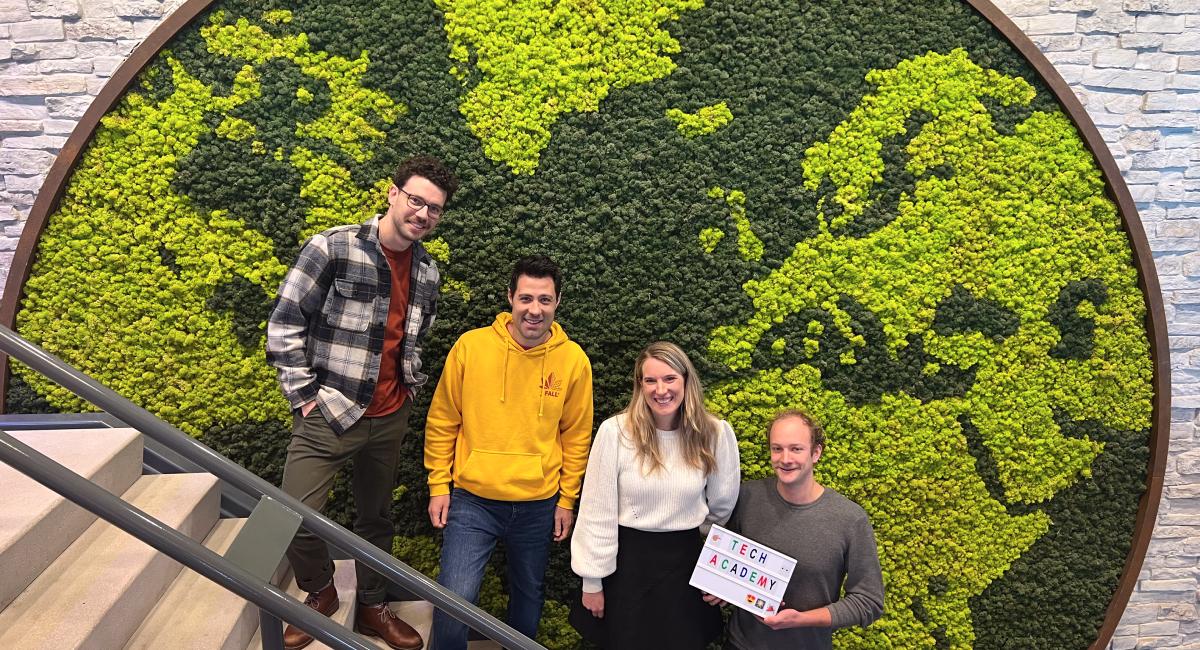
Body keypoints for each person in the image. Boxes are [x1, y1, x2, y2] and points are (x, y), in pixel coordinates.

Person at [266, 155, 459, 650]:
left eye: (434, 209)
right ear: (393, 194)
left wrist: (408, 388)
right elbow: (285, 321)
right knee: (295, 514)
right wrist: (304, 396)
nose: (423, 214)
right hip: (328, 413)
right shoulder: (333, 247)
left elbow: (413, 337)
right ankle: (321, 591)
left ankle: (373, 606)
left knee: (377, 519)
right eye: (416, 200)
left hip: (390, 416)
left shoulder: (429, 272)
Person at [424, 255, 594, 650]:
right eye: (526, 298)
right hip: (471, 502)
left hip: (538, 504)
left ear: (557, 303)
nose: (535, 310)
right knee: (455, 598)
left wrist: (567, 499)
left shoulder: (573, 361)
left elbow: (576, 436)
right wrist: (438, 484)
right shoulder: (471, 347)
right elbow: (443, 419)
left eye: (545, 300)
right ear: (510, 298)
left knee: (529, 595)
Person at [569, 341, 741, 649]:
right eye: (650, 380)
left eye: (670, 378)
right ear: (640, 386)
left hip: (685, 567)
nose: (660, 389)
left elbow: (722, 509)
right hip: (627, 568)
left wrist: (716, 572)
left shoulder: (714, 433)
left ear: (686, 380)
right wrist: (592, 581)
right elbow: (597, 511)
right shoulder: (615, 433)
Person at [715, 409, 884, 650]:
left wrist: (801, 620)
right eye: (777, 448)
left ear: (816, 453)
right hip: (740, 644)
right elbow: (726, 564)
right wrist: (720, 589)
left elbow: (868, 602)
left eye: (796, 449)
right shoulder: (746, 497)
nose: (785, 458)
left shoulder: (850, 519)